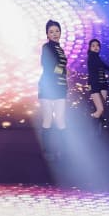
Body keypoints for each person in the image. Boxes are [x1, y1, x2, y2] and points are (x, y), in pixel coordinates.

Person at [38, 19, 68, 158]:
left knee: (60, 119)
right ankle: (48, 151)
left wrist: (64, 74)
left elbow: (60, 68)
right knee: (48, 118)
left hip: (60, 86)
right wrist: (64, 71)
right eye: (51, 32)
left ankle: (63, 151)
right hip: (48, 86)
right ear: (47, 34)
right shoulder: (46, 47)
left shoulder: (60, 49)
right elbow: (47, 65)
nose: (55, 34)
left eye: (57, 31)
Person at [87, 38, 109, 121]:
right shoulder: (92, 56)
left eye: (97, 45)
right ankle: (87, 120)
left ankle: (98, 126)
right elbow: (103, 65)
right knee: (100, 109)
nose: (96, 47)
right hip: (94, 84)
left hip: (103, 84)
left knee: (102, 111)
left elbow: (103, 66)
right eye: (93, 46)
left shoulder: (97, 57)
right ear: (89, 48)